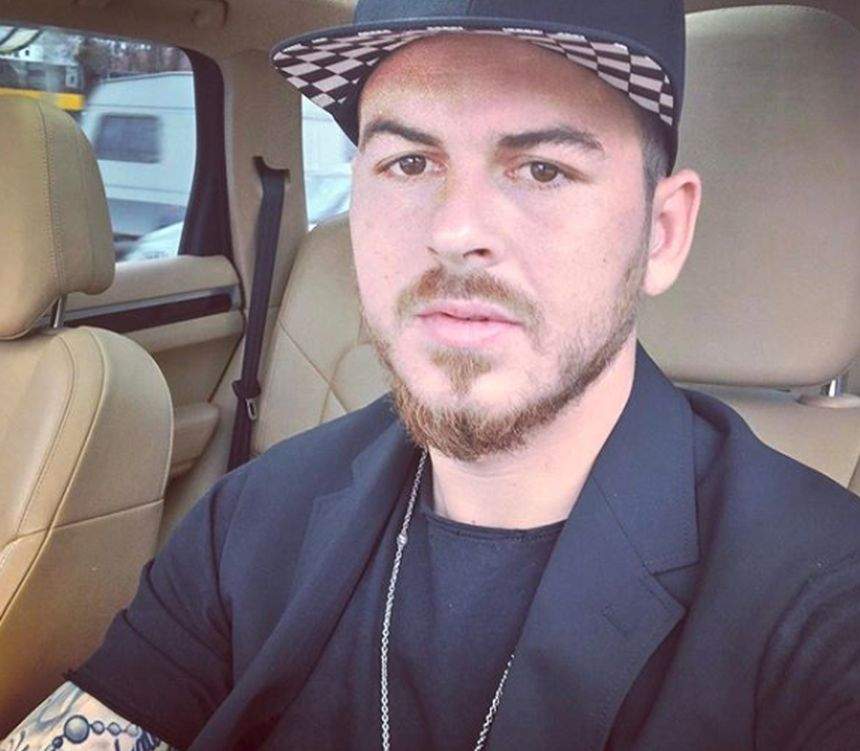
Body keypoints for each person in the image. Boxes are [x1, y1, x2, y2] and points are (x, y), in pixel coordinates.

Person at [6, 1, 860, 749]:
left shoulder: (820, 602)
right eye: (409, 163)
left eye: (544, 168)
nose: (455, 232)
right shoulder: (246, 526)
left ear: (662, 233)